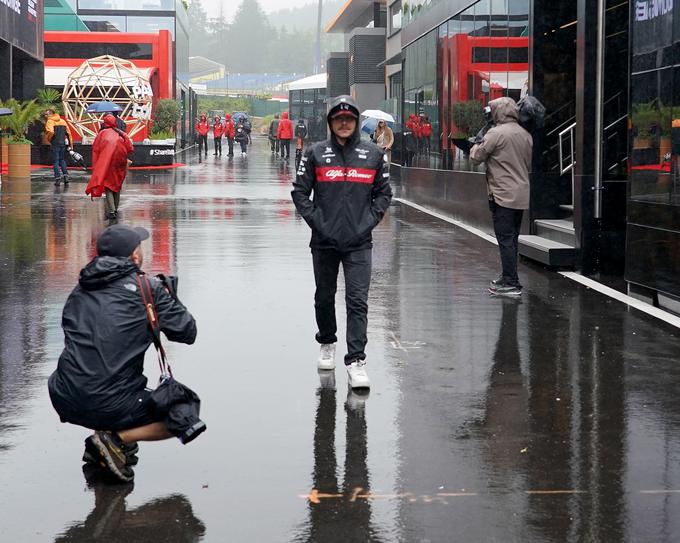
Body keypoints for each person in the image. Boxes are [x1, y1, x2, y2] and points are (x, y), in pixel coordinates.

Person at [48, 224, 202, 483]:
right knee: (185, 413)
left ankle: (109, 446)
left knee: (103, 374)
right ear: (134, 257)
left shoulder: (79, 290)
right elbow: (187, 332)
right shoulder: (147, 287)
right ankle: (115, 439)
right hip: (109, 401)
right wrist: (169, 297)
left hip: (64, 394)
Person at [291, 95, 392, 389]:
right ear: (331, 122)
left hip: (360, 242)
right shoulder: (315, 153)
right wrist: (319, 222)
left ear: (356, 122)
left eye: (349, 119)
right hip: (323, 242)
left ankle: (357, 360)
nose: (344, 123)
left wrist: (368, 222)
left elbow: (384, 194)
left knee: (357, 301)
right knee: (324, 296)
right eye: (339, 119)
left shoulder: (374, 154)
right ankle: (327, 342)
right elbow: (299, 193)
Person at [470, 97, 532, 297]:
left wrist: (477, 142)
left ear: (498, 112)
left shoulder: (496, 134)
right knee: (512, 239)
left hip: (503, 194)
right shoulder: (525, 134)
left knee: (505, 239)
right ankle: (508, 275)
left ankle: (511, 282)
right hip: (520, 194)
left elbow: (475, 157)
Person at [85, 114, 134, 221]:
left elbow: (96, 149)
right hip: (120, 162)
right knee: (117, 185)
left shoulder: (102, 134)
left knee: (108, 186)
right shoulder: (121, 133)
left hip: (108, 162)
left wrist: (97, 165)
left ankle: (112, 211)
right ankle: (115, 209)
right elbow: (130, 148)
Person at [44, 109, 72, 186]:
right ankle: (66, 177)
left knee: (55, 161)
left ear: (50, 114)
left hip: (55, 143)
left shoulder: (50, 121)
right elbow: (68, 133)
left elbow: (51, 131)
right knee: (62, 160)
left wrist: (49, 139)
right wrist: (70, 145)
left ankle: (57, 179)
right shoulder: (63, 121)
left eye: (46, 114)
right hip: (62, 143)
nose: (45, 116)